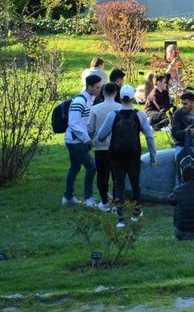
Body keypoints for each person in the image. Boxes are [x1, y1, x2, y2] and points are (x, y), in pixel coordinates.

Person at [95, 85, 157, 228]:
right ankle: (136, 213)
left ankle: (120, 219)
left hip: (116, 156)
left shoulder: (113, 114)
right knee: (135, 184)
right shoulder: (139, 115)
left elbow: (100, 136)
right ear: (133, 97)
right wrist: (153, 155)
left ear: (120, 97)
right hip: (133, 155)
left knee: (119, 185)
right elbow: (149, 136)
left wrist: (110, 141)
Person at [62, 74, 102, 207]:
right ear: (89, 86)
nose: (99, 90)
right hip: (76, 141)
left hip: (76, 140)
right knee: (91, 167)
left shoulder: (88, 99)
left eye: (100, 87)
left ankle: (67, 197)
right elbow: (73, 123)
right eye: (96, 88)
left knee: (74, 167)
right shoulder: (80, 100)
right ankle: (89, 198)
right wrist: (86, 139)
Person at [87, 82, 122, 209]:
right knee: (117, 177)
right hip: (117, 148)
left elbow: (90, 128)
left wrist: (90, 140)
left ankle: (104, 202)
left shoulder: (95, 109)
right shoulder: (121, 108)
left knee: (102, 176)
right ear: (116, 93)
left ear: (102, 92)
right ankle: (116, 203)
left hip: (100, 148)